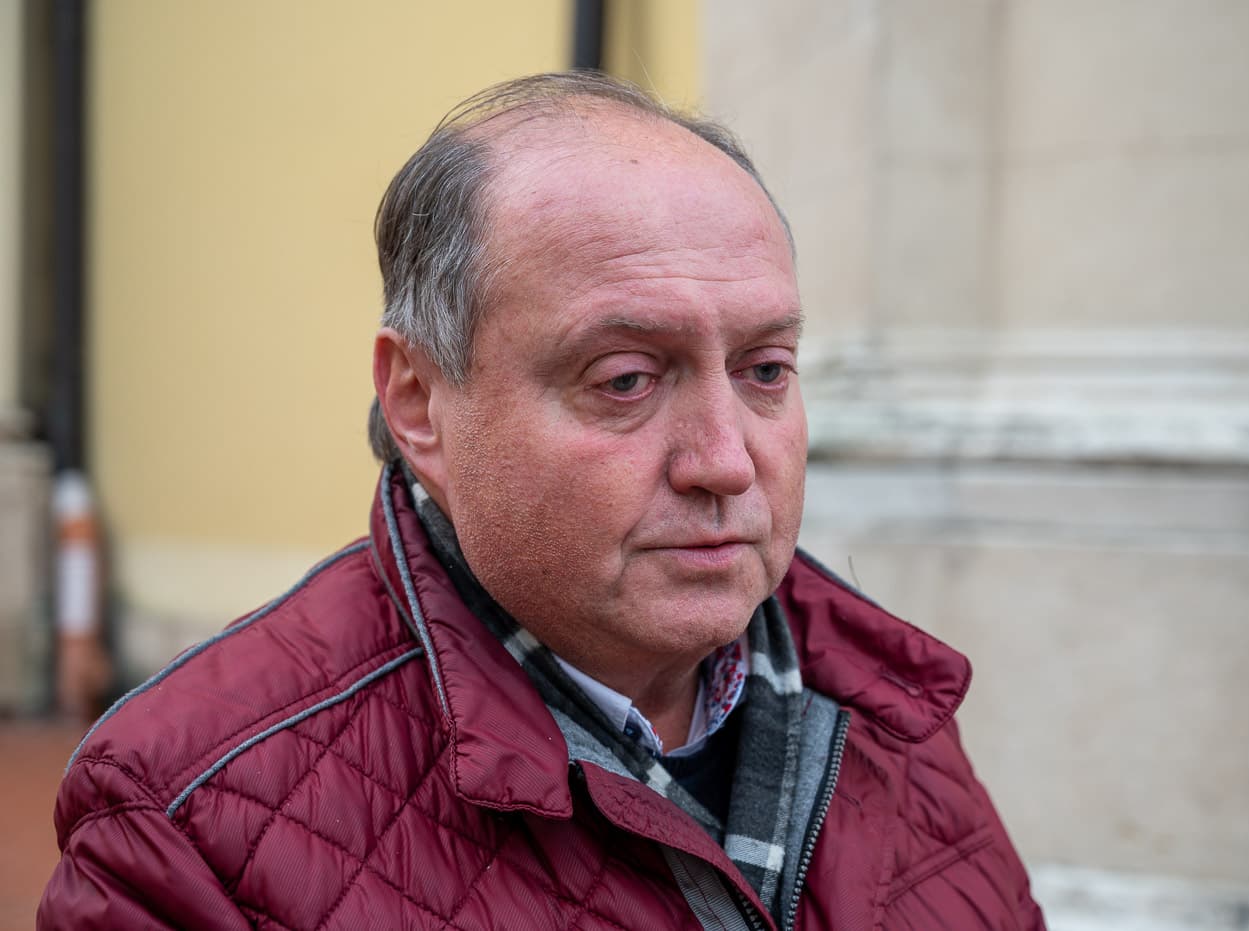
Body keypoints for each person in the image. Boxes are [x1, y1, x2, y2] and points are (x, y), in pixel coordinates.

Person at [39, 72, 1045, 930]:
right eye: (625, 379)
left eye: (765, 369)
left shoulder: (889, 710)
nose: (726, 461)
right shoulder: (190, 821)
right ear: (419, 401)